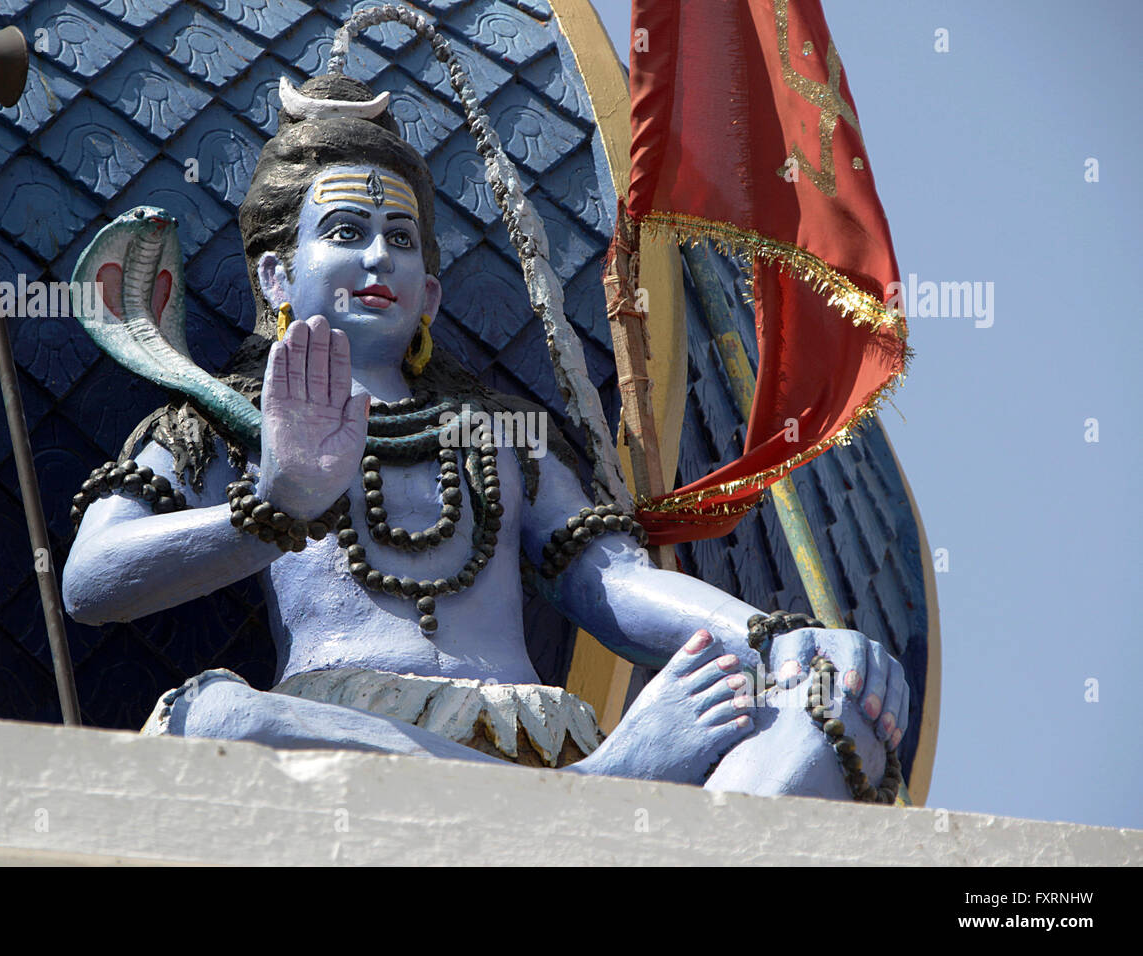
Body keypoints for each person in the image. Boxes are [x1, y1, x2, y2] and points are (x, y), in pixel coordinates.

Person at [63, 75, 909, 798]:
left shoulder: (495, 436)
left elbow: (603, 576)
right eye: (347, 234)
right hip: (347, 751)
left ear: (430, 293)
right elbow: (93, 581)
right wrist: (272, 504)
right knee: (211, 721)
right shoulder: (220, 424)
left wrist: (772, 638)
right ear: (277, 275)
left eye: (400, 241)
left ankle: (586, 811)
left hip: (538, 737)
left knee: (838, 696)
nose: (376, 261)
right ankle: (594, 802)